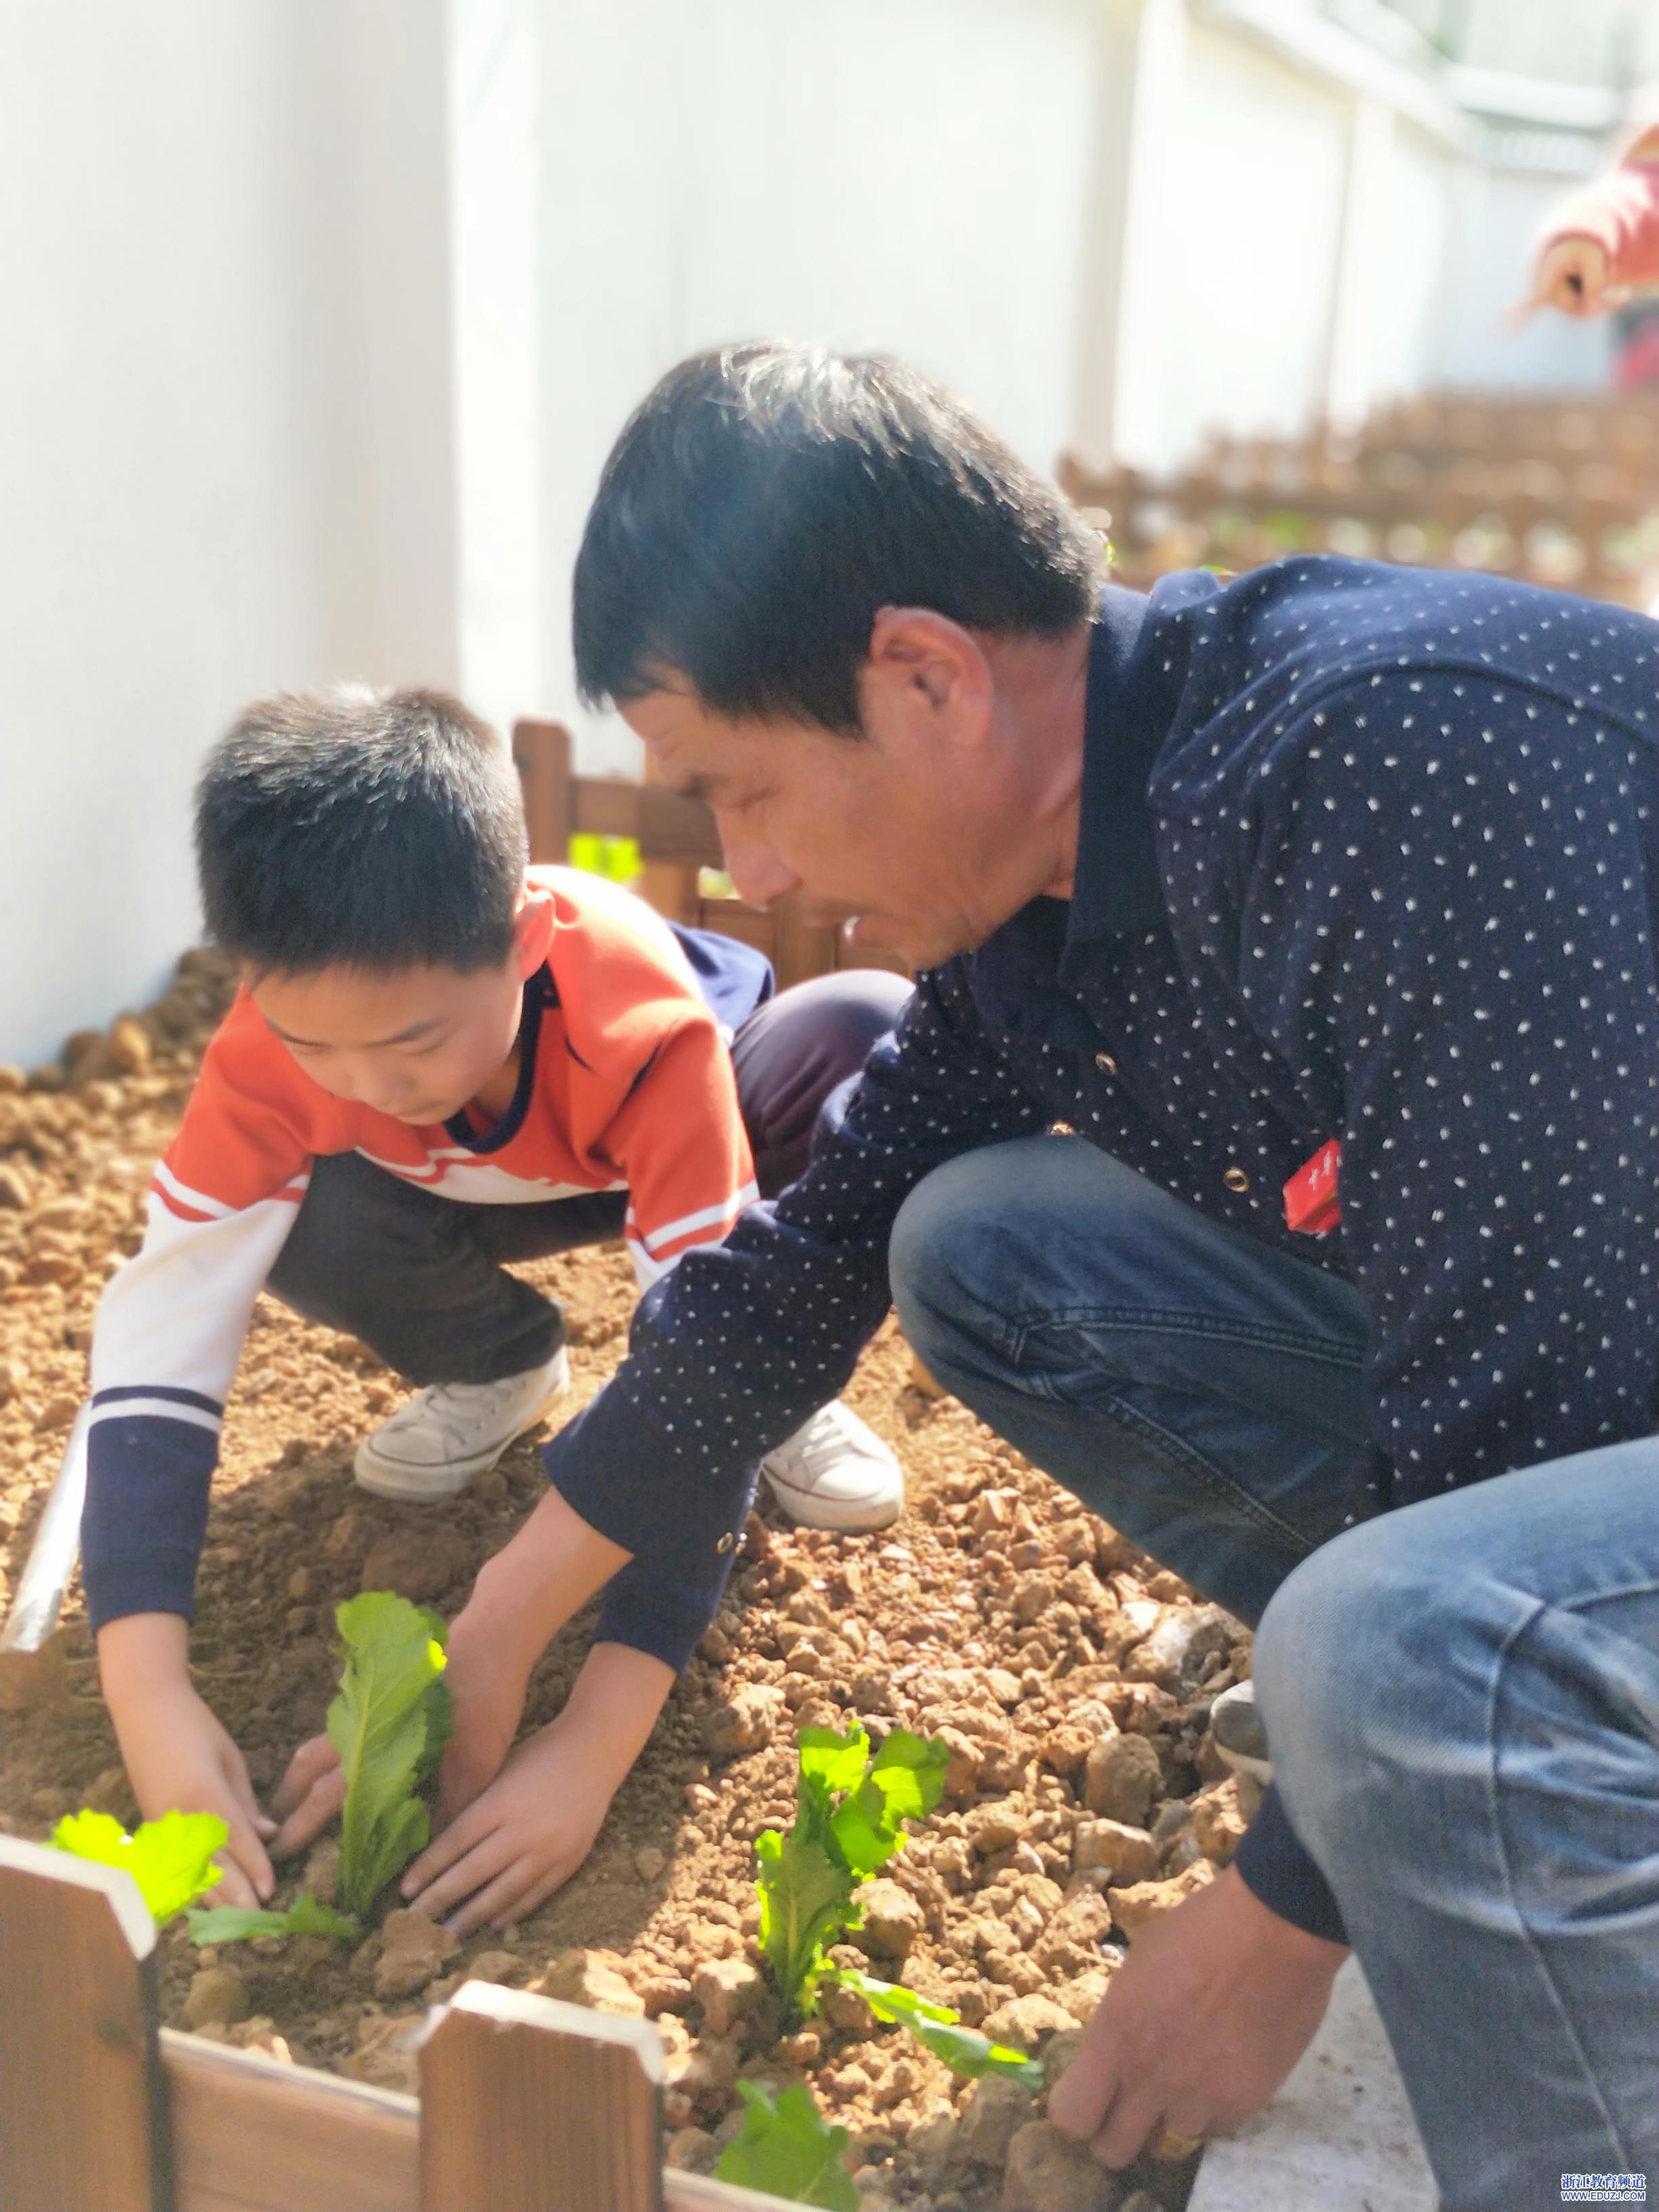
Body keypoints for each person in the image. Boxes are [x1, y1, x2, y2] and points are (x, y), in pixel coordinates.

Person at [419, 343, 1656, 2207]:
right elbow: (798, 1269)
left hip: (1599, 1394)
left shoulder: (1395, 773)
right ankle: (1463, 1746)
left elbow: (1540, 1408)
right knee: (979, 1253)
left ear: (926, 676)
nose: (747, 875)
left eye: (742, 792)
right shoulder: (1054, 904)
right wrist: (510, 1619)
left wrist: (1279, 1917)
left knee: (1399, 1650)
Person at [85, 684, 908, 1914]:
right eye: (318, 1047)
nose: (365, 1082)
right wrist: (145, 1690)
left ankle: (790, 1390)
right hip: (460, 1185)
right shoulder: (274, 1054)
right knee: (280, 1213)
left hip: (673, 1133)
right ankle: (499, 1361)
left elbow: (703, 1364)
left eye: (411, 1040)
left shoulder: (640, 1020)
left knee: (855, 1038)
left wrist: (593, 1734)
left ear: (521, 944)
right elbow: (162, 1336)